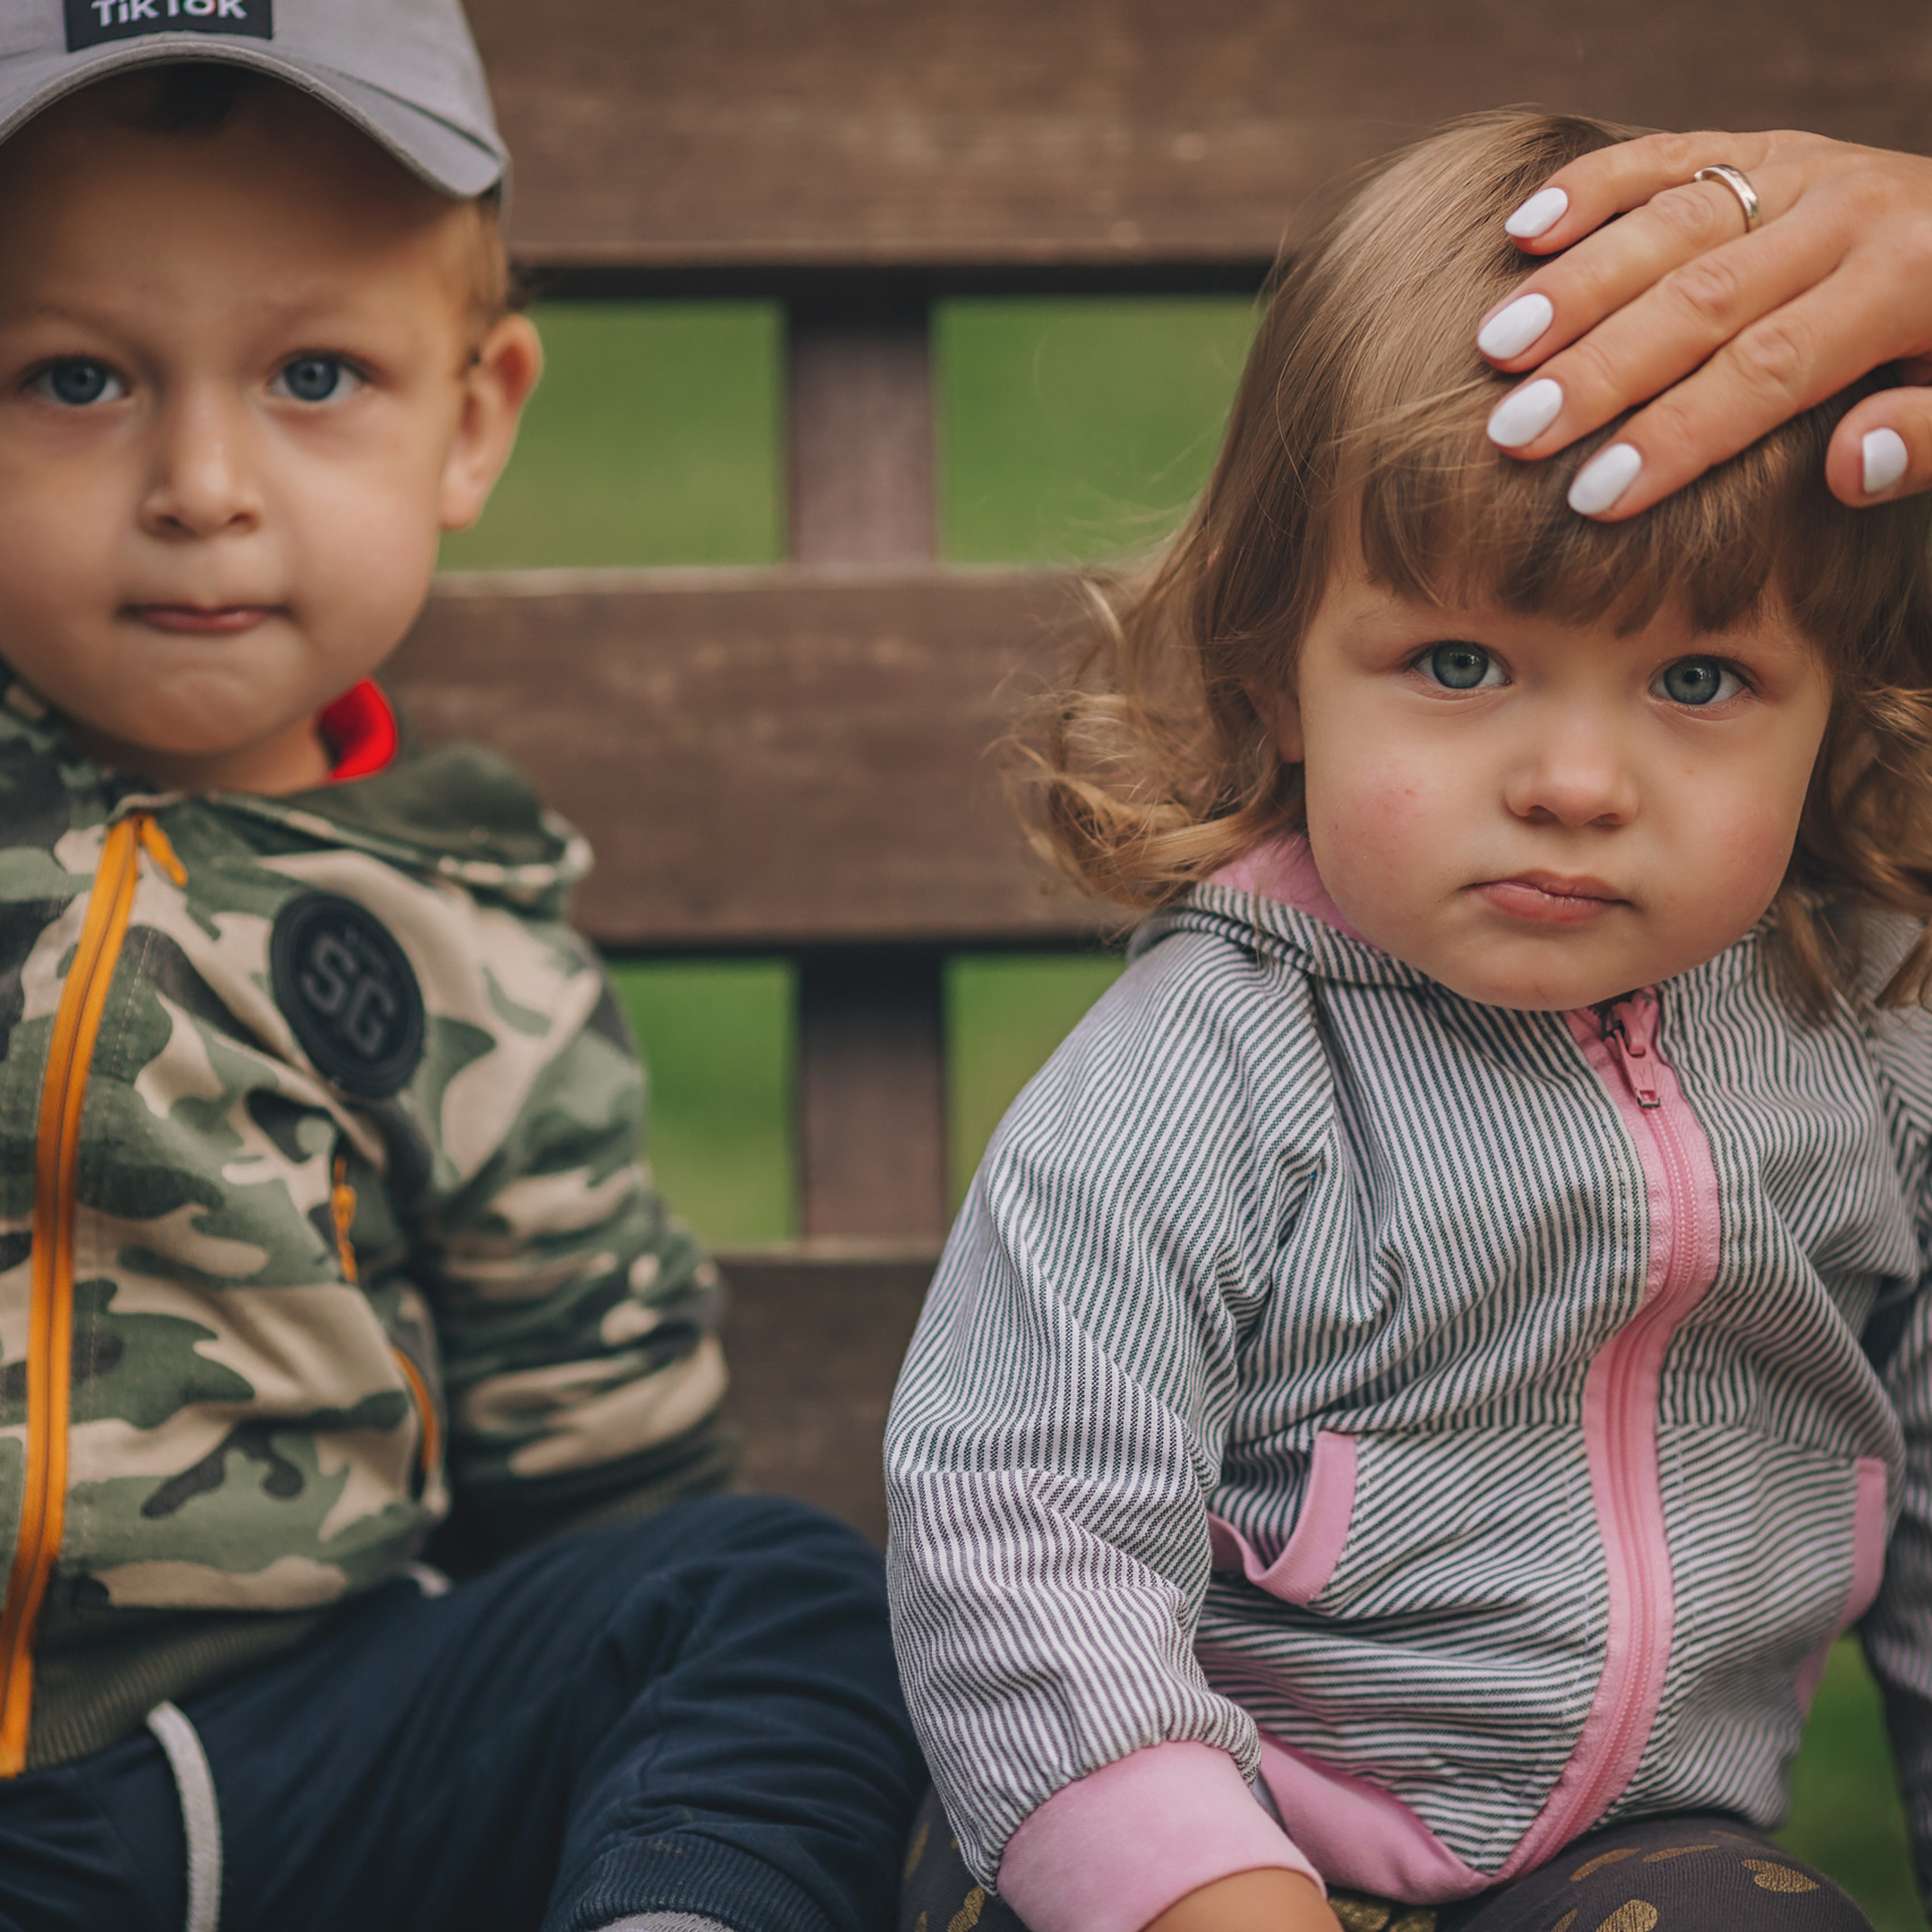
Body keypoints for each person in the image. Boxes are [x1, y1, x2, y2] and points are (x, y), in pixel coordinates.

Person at [886, 109, 1932, 1932]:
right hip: (1183, 1833)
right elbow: (1020, 1518)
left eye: (1698, 678)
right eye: (1458, 664)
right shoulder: (1206, 1072)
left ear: (1832, 712)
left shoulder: (1856, 1044)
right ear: (1267, 671)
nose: (1576, 779)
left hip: (1630, 1865)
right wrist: (1195, 1877)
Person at [0, 7, 921, 1932]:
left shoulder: (468, 942)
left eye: (312, 372)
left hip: (284, 1763)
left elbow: (599, 1473)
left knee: (762, 1593)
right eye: (74, 377)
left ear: (475, 416)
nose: (198, 481)